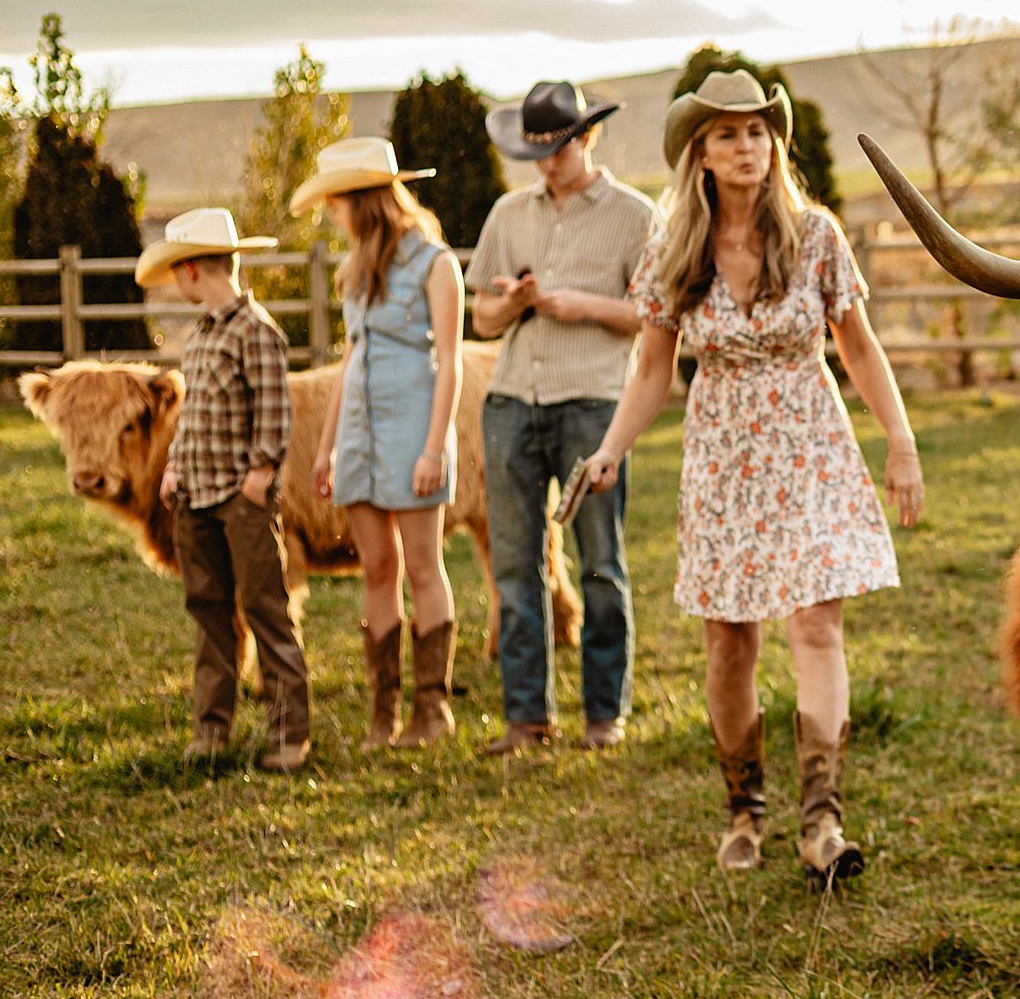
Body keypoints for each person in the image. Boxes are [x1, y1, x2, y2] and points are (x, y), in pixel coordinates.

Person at [583, 70, 923, 887]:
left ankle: (822, 821)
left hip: (810, 444)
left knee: (816, 626)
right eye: (729, 134)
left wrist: (902, 440)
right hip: (723, 455)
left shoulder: (816, 237)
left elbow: (861, 348)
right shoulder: (674, 252)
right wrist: (610, 448)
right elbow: (650, 372)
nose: (748, 147)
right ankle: (745, 807)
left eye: (759, 131)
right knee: (729, 641)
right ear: (699, 153)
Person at [468, 81, 655, 755]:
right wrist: (513, 302)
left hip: (593, 402)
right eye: (536, 151)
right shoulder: (508, 214)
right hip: (513, 400)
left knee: (600, 560)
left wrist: (584, 305)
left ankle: (604, 713)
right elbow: (481, 318)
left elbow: (653, 316)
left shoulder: (635, 215)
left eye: (559, 147)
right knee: (516, 565)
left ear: (587, 137)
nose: (547, 162)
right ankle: (526, 716)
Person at [296, 138, 465, 750]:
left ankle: (432, 709)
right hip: (360, 436)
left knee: (422, 565)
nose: (332, 215)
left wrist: (433, 447)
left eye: (336, 203)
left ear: (362, 200)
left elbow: (450, 363)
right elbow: (352, 356)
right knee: (376, 566)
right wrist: (326, 447)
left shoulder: (435, 263)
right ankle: (382, 712)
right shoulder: (357, 267)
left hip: (412, 427)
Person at [135, 207, 312, 771]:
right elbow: (194, 416)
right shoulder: (202, 334)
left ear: (191, 270)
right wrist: (174, 470)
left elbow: (274, 411)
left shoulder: (256, 331)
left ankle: (290, 734)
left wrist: (259, 477)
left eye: (176, 273)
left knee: (265, 607)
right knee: (209, 610)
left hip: (242, 498)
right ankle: (212, 728)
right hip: (195, 498)